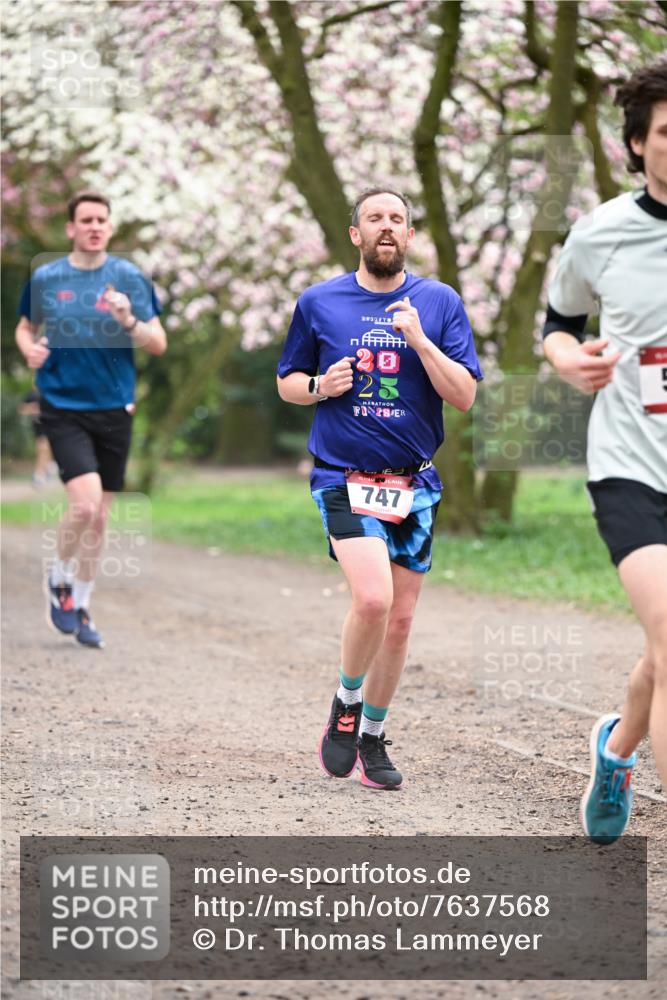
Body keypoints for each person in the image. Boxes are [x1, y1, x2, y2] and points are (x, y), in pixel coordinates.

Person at [277, 187, 482, 789]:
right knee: (373, 600)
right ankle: (346, 703)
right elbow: (288, 381)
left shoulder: (439, 302)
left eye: (397, 219)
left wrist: (420, 342)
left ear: (410, 235)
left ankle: (372, 734)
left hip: (413, 483)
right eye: (375, 218)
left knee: (399, 621)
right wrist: (321, 385)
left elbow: (465, 395)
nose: (387, 227)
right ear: (356, 235)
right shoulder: (320, 302)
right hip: (342, 475)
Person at [543, 60, 667, 843]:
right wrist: (565, 359)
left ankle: (616, 749)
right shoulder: (599, 235)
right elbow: (556, 322)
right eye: (666, 132)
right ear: (636, 144)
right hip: (630, 466)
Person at [15, 190, 167, 648]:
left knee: (100, 519)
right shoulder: (47, 277)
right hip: (62, 407)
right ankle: (59, 578)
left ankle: (80, 602)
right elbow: (25, 326)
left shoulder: (128, 278)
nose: (94, 226)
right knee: (84, 505)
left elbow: (157, 343)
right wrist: (30, 349)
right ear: (71, 228)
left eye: (102, 219)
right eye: (86, 219)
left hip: (114, 409)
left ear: (110, 227)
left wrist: (128, 320)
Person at [19, 388, 56, 488]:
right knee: (43, 448)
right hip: (38, 426)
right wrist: (33, 408)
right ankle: (41, 474)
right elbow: (22, 410)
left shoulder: (50, 392)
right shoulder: (32, 395)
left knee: (46, 448)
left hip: (51, 424)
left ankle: (44, 471)